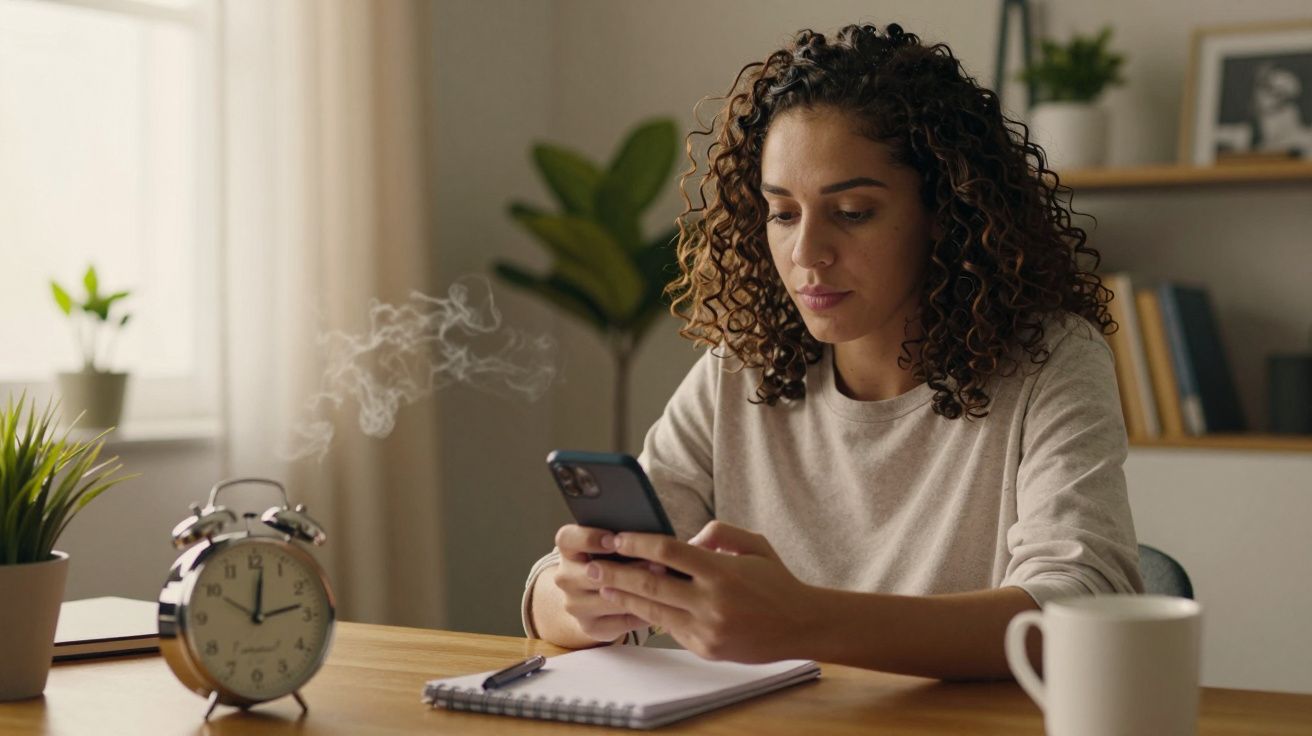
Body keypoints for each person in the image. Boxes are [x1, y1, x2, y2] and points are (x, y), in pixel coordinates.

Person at [521, 22, 1142, 681]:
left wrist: (806, 621)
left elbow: (1082, 608)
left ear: (944, 212)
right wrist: (578, 599)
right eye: (783, 213)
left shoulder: (1050, 361)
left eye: (850, 211)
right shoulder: (743, 366)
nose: (807, 254)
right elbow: (553, 589)